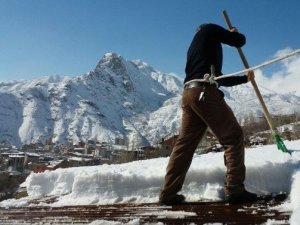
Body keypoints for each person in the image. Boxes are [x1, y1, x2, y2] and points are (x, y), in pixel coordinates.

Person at [159, 23, 257, 205]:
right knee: (233, 137)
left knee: (185, 145)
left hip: (189, 94)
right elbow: (239, 41)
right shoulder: (210, 30)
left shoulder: (197, 47)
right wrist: (232, 34)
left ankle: (168, 193)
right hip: (205, 93)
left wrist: (244, 78)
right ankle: (235, 189)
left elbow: (219, 78)